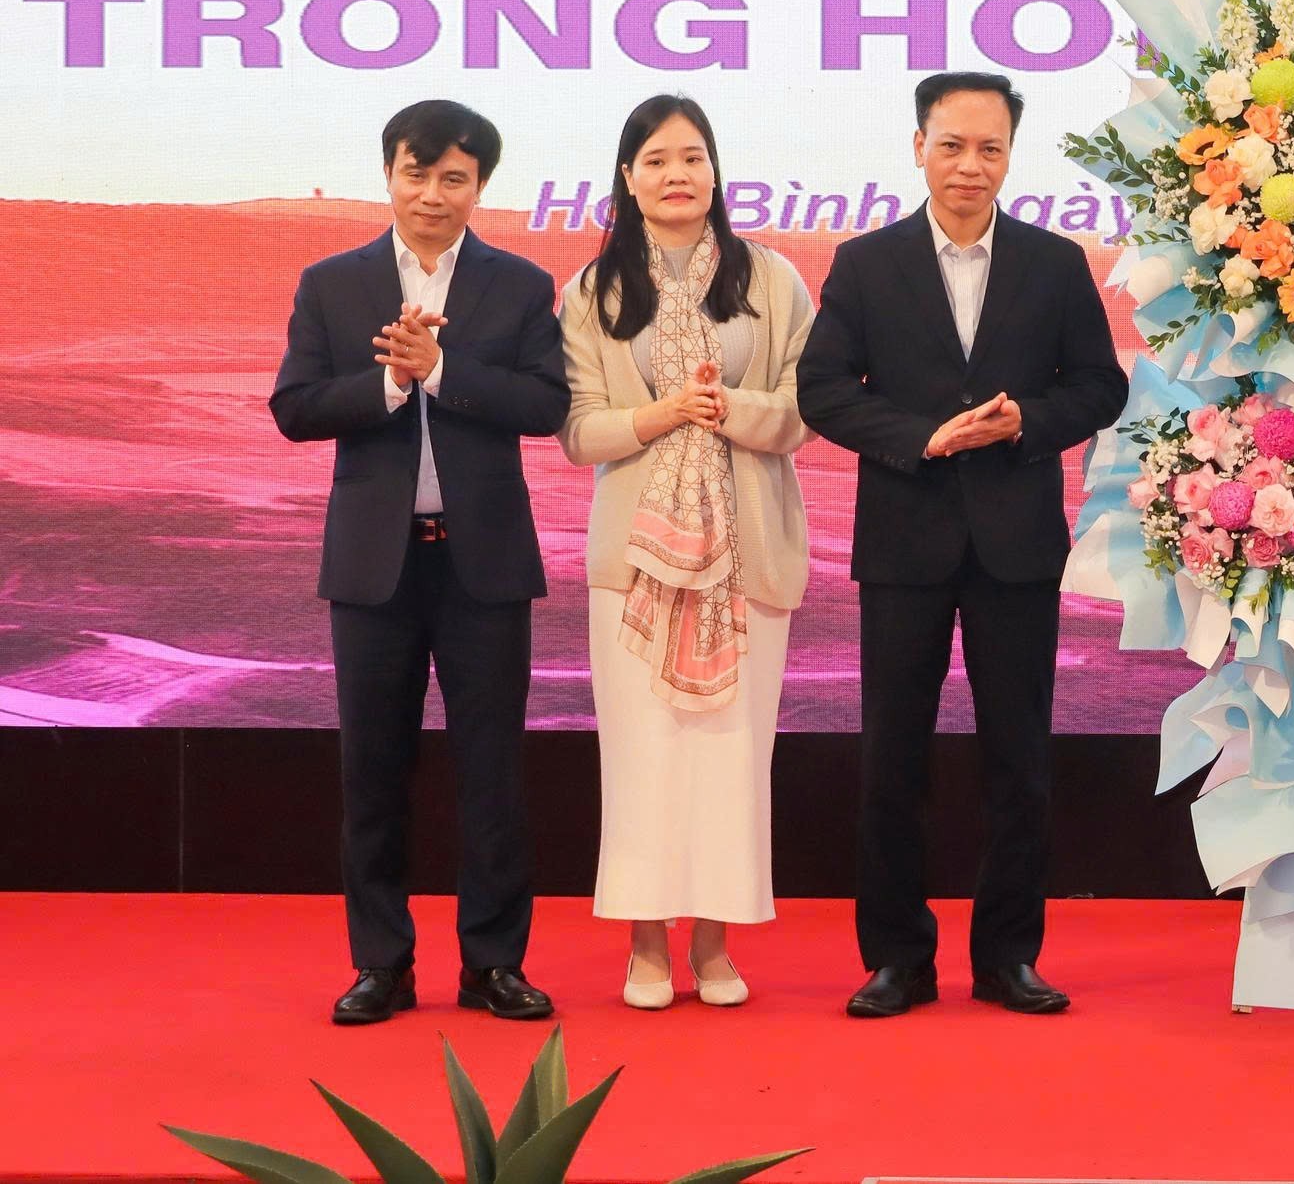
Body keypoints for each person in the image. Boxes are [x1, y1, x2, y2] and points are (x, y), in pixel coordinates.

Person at [798, 70, 1129, 1018]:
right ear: (919, 149)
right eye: (952, 145)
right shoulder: (867, 263)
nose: (969, 165)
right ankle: (897, 958)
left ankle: (1007, 957)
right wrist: (922, 438)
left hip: (1016, 546)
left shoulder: (1055, 262)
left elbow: (1100, 385)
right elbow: (823, 389)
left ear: (1011, 156)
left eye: (990, 148)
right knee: (890, 759)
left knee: (1018, 760)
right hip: (904, 541)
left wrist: (1028, 421)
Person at [269, 100, 569, 1025]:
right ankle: (382, 963)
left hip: (485, 568)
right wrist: (392, 383)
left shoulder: (520, 285)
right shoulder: (333, 283)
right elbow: (295, 407)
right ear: (389, 173)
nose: (433, 193)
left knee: (494, 773)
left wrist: (440, 369)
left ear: (480, 186)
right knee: (373, 772)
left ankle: (493, 964)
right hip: (374, 567)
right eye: (417, 171)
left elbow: (546, 404)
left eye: (454, 177)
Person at [557, 95, 815, 1010]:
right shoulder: (592, 291)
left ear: (715, 170)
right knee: (642, 754)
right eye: (658, 159)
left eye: (693, 157)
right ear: (628, 177)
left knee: (732, 757)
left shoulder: (771, 279)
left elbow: (806, 408)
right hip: (637, 563)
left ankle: (713, 944)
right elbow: (579, 430)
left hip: (748, 555)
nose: (678, 174)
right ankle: (644, 947)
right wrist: (661, 415)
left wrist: (728, 409)